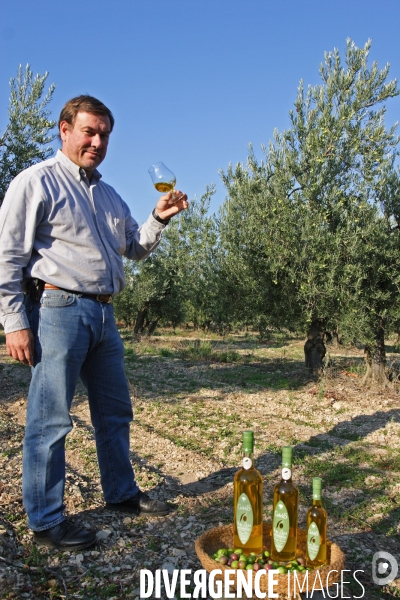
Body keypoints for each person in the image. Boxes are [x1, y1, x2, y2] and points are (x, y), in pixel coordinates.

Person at [0, 95, 188, 551]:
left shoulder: (108, 194)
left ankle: (121, 495)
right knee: (50, 420)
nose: (97, 141)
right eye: (89, 131)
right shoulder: (36, 182)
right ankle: (46, 523)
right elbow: (7, 255)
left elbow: (134, 247)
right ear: (64, 130)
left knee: (114, 410)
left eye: (104, 134)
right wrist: (13, 321)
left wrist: (157, 218)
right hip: (59, 311)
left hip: (104, 313)